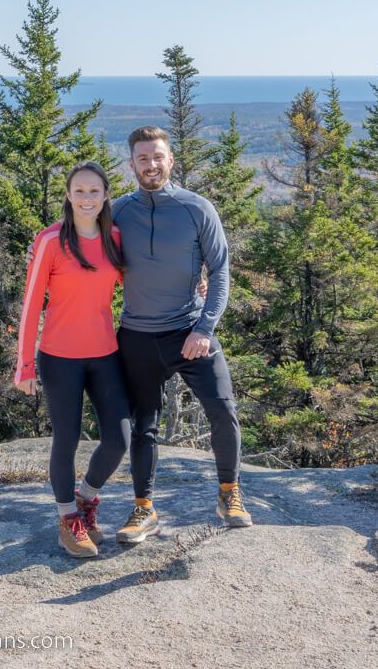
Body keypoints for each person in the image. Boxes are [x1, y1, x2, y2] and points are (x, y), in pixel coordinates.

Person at [111, 125, 252, 545]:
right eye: (142, 158)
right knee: (143, 426)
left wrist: (204, 329)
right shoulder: (117, 211)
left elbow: (221, 270)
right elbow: (77, 241)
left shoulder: (197, 208)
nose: (151, 165)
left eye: (158, 156)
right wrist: (39, 248)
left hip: (191, 332)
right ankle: (144, 509)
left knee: (223, 409)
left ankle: (229, 494)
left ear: (171, 159)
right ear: (132, 163)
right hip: (136, 335)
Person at [14, 162, 132, 558]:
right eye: (78, 191)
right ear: (68, 195)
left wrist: (195, 280)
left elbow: (141, 282)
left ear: (105, 196)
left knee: (118, 439)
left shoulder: (114, 237)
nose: (86, 198)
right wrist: (24, 365)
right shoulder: (50, 240)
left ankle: (86, 501)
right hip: (59, 357)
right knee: (67, 439)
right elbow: (31, 305)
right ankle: (68, 520)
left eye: (94, 191)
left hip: (105, 355)